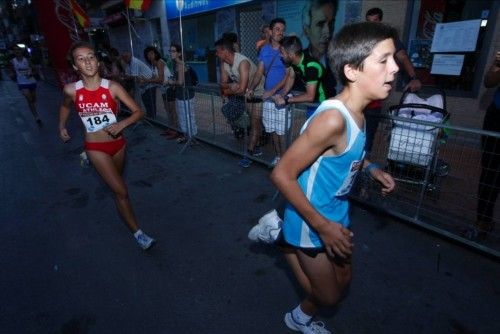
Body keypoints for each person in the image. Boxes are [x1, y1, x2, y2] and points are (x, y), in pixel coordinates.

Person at [249, 22, 398, 333]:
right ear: (352, 71)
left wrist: (371, 168)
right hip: (311, 219)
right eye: (384, 60)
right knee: (328, 296)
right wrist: (322, 227)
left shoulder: (358, 111)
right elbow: (281, 174)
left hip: (337, 212)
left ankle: (299, 318)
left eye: (393, 58)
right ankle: (283, 240)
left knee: (343, 281)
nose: (395, 68)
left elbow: (345, 152)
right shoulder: (332, 118)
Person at [58, 41, 155, 250]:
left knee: (116, 186)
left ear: (98, 61)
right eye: (81, 59)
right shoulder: (71, 90)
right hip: (95, 148)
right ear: (75, 66)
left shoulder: (112, 87)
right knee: (121, 191)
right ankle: (138, 234)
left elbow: (139, 112)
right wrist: (61, 125)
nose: (88, 61)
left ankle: (116, 194)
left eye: (91, 56)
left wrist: (123, 123)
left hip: (118, 144)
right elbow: (65, 107)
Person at [364, 7, 422, 156]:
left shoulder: (389, 40)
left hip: (373, 102)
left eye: (375, 21)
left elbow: (402, 57)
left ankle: (363, 170)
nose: (372, 25)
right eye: (369, 21)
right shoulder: (361, 39)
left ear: (380, 22)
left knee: (367, 140)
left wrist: (413, 78)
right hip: (355, 98)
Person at [467, 51, 500, 240]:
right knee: (489, 173)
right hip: (496, 116)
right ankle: (483, 222)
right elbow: (489, 81)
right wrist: (497, 64)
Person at [247, 18, 289, 167]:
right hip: (269, 98)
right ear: (270, 32)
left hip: (280, 97)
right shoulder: (264, 50)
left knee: (281, 132)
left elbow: (288, 76)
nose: (280, 32)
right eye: (277, 29)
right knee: (272, 130)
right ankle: (278, 157)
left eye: (282, 30)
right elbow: (259, 72)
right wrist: (251, 88)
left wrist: (271, 91)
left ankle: (285, 162)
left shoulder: (285, 49)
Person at [215, 37, 263, 167]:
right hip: (247, 95)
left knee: (254, 123)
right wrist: (231, 87)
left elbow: (240, 89)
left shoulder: (242, 62)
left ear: (225, 51)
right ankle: (257, 147)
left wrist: (230, 88)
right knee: (252, 123)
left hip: (258, 93)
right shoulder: (224, 63)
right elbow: (222, 84)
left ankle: (249, 153)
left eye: (218, 51)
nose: (216, 54)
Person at [274, 36, 327, 120]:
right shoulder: (295, 62)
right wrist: (281, 95)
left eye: (282, 52)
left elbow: (310, 96)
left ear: (291, 55)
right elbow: (291, 78)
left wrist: (286, 100)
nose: (280, 55)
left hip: (323, 106)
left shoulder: (311, 67)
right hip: (312, 105)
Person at [302, 0, 338, 98]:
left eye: (331, 24)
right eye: (320, 24)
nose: (327, 32)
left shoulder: (334, 57)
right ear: (307, 30)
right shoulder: (300, 59)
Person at [143, 46, 181, 139]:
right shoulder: (153, 64)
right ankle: (171, 128)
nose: (150, 56)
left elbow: (160, 79)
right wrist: (146, 79)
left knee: (172, 110)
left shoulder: (160, 62)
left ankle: (175, 130)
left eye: (151, 53)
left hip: (169, 88)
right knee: (167, 109)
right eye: (148, 54)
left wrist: (146, 81)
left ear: (155, 53)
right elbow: (155, 78)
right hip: (164, 89)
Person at [167, 44, 197, 144]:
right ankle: (187, 137)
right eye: (170, 51)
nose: (171, 53)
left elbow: (180, 82)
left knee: (188, 116)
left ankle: (191, 138)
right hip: (182, 94)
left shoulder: (180, 64)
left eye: (173, 51)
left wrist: (171, 82)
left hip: (186, 95)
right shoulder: (176, 64)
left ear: (179, 53)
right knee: (184, 117)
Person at [9, 46, 41, 124]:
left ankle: (32, 106)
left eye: (18, 50)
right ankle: (36, 116)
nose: (17, 52)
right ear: (13, 52)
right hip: (22, 83)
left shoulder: (27, 60)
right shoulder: (12, 61)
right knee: (29, 99)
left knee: (33, 99)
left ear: (21, 51)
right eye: (15, 50)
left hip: (31, 81)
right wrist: (12, 75)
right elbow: (11, 71)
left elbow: (35, 69)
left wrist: (32, 74)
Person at [121, 50, 156, 119]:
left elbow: (133, 76)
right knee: (147, 103)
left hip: (149, 84)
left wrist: (125, 77)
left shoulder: (134, 62)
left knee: (150, 103)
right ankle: (151, 119)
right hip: (144, 85)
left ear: (127, 57)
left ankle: (153, 119)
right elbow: (128, 74)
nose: (124, 60)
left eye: (124, 58)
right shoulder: (129, 63)